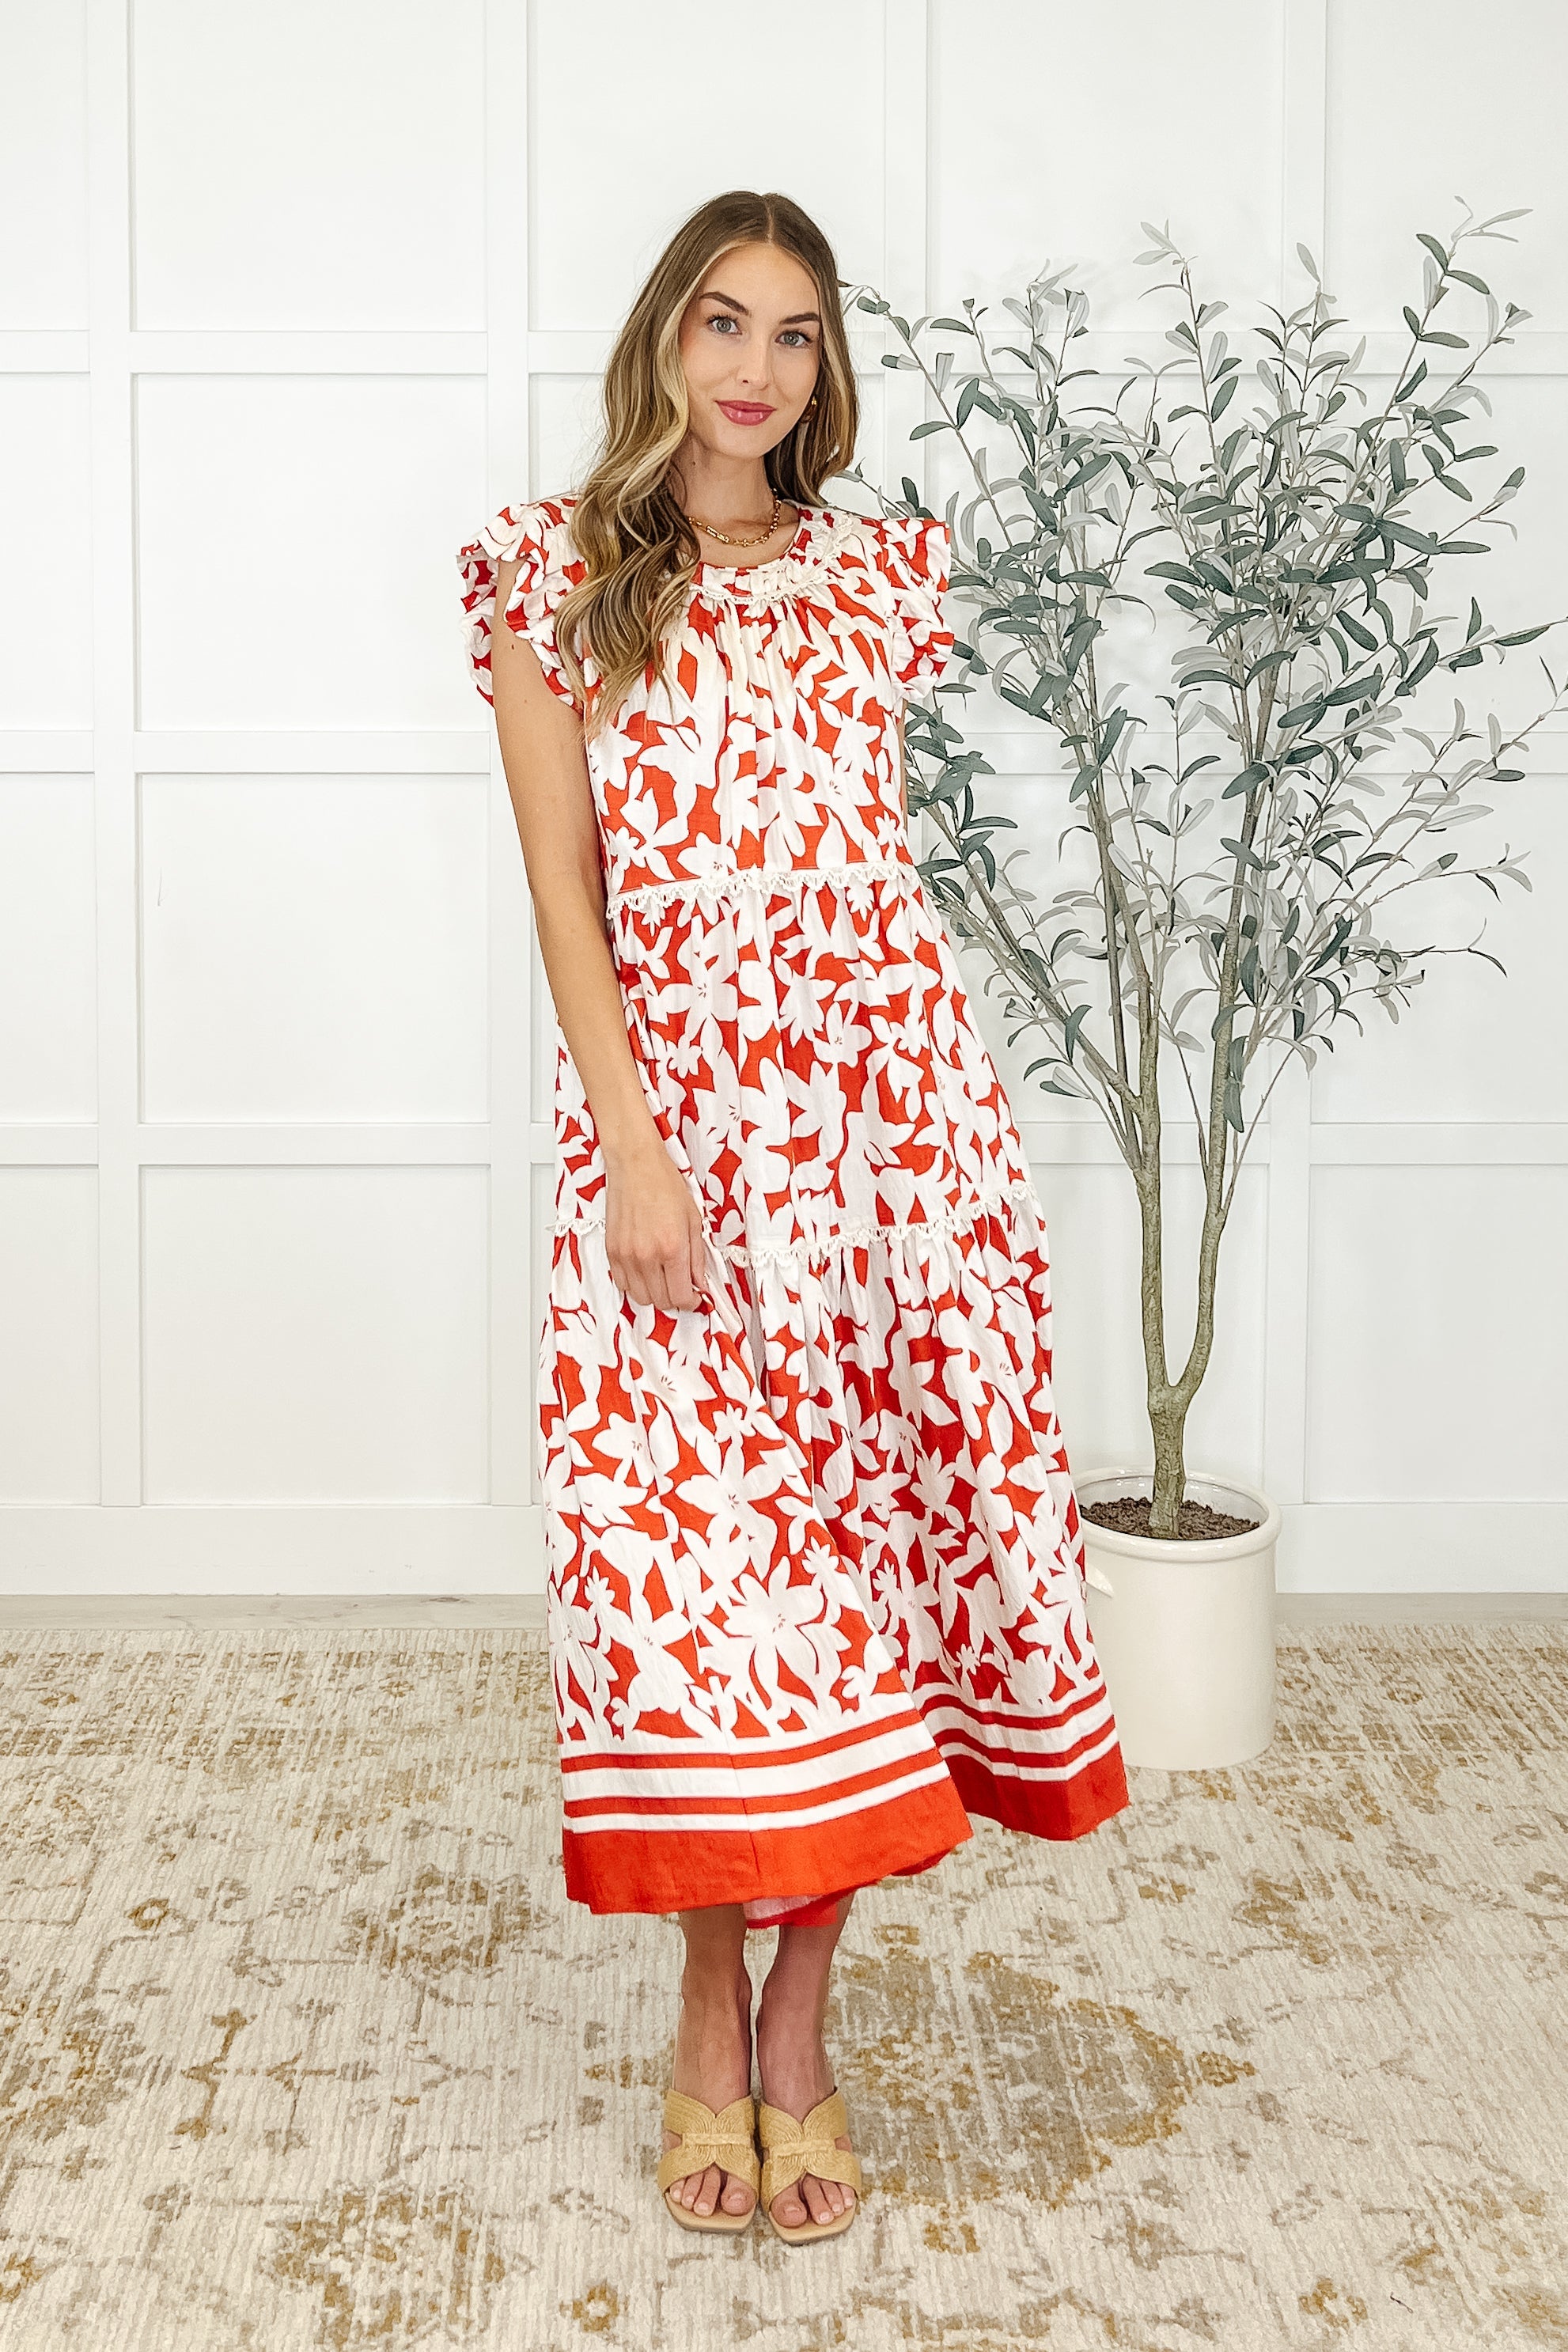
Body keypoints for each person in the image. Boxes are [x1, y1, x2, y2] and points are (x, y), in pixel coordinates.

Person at [457, 188, 1128, 2247]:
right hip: (669, 1148)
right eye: (725, 322)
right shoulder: (547, 574)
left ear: (828, 374)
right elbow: (568, 900)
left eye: (800, 338)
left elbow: (901, 878)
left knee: (867, 1594)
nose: (756, 368)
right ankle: (696, 2002)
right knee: (693, 1603)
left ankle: (803, 2022)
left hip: (886, 1146)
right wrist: (640, 1150)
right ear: (666, 334)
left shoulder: (881, 578)